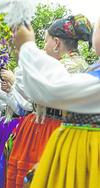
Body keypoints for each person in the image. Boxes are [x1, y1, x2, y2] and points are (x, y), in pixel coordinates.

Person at [13, 14, 100, 188]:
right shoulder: (93, 68)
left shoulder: (74, 67)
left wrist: (27, 47)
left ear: (57, 43)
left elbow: (55, 88)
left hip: (86, 157)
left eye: (46, 41)